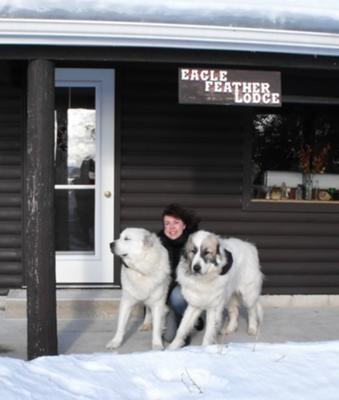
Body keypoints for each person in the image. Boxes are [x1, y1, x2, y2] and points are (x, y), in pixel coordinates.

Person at [158, 203, 203, 343]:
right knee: (169, 337)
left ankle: (189, 321)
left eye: (176, 223)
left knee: (177, 295)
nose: (171, 227)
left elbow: (222, 253)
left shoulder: (196, 241)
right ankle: (191, 319)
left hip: (188, 291)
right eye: (167, 223)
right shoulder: (158, 242)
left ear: (184, 226)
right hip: (165, 294)